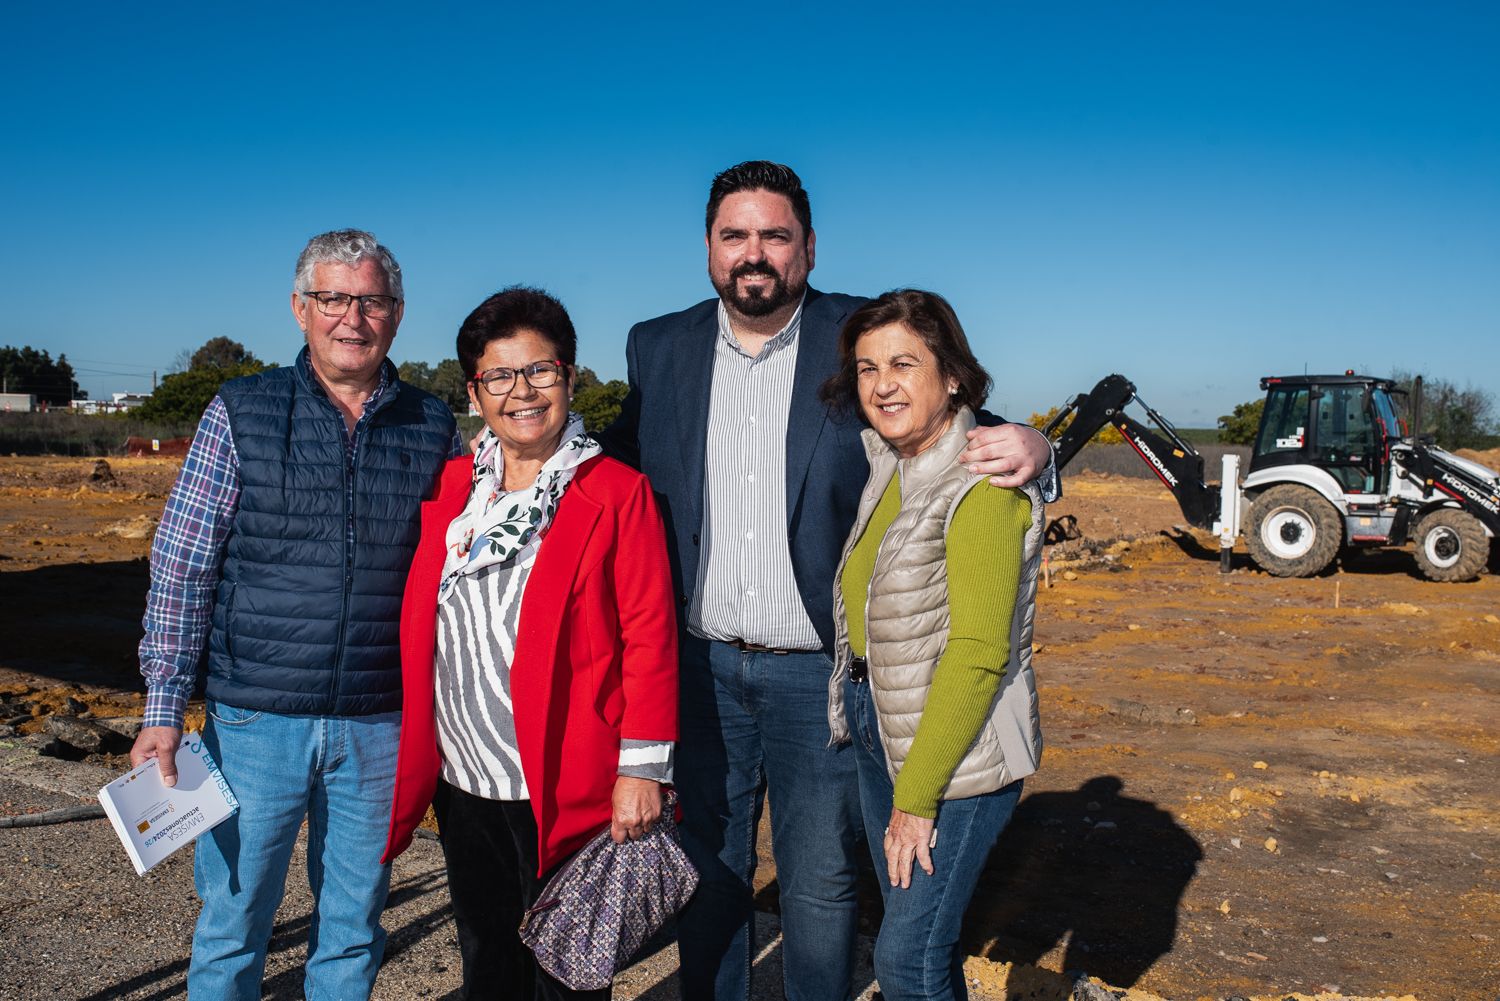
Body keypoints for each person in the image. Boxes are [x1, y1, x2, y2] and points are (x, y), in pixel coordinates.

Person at [595, 161, 1058, 1001]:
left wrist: (1039, 449)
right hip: (700, 667)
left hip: (817, 671)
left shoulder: (857, 335)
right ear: (708, 247)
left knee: (818, 881)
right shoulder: (656, 346)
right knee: (708, 870)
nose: (754, 253)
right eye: (735, 235)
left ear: (808, 247)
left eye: (775, 235)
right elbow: (613, 469)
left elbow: (951, 419)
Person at [128, 229, 458, 998]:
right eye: (333, 298)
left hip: (381, 722)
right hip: (253, 721)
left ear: (397, 314)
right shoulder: (240, 410)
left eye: (371, 299)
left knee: (351, 930)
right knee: (233, 925)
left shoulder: (434, 424)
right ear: (300, 309)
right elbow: (182, 564)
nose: (353, 317)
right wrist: (163, 706)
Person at [382, 287, 679, 1001]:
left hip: (564, 781)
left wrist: (642, 770)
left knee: (568, 974)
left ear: (570, 378)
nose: (523, 391)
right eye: (500, 376)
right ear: (476, 391)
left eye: (540, 371)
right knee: (486, 956)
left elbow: (649, 633)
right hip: (465, 778)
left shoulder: (613, 490)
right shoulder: (456, 488)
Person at [823, 289, 1044, 1001]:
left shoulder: (980, 485)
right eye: (865, 367)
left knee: (906, 955)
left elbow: (979, 653)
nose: (881, 382)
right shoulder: (890, 463)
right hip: (884, 727)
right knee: (923, 942)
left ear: (951, 375)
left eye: (902, 363)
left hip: (957, 757)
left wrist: (916, 798)